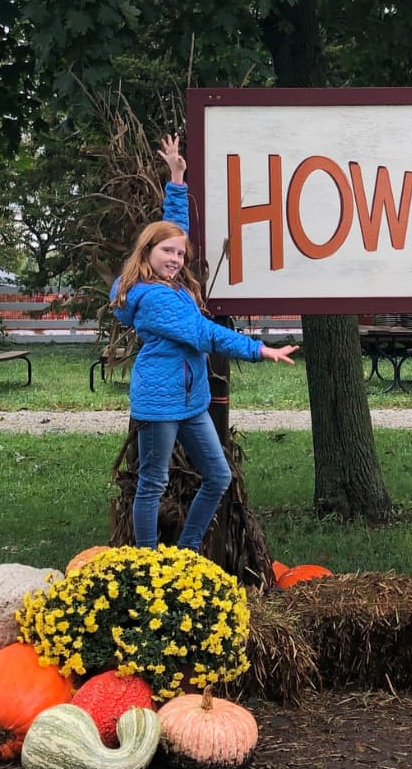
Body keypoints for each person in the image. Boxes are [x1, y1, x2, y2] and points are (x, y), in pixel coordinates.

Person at [111, 135, 298, 551]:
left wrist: (176, 178)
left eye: (181, 253)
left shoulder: (167, 281)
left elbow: (174, 228)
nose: (177, 259)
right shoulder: (155, 297)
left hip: (190, 397)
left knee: (218, 476)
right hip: (161, 399)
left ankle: (187, 550)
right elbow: (205, 334)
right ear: (147, 252)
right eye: (168, 252)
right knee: (153, 483)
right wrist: (260, 349)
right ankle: (148, 560)